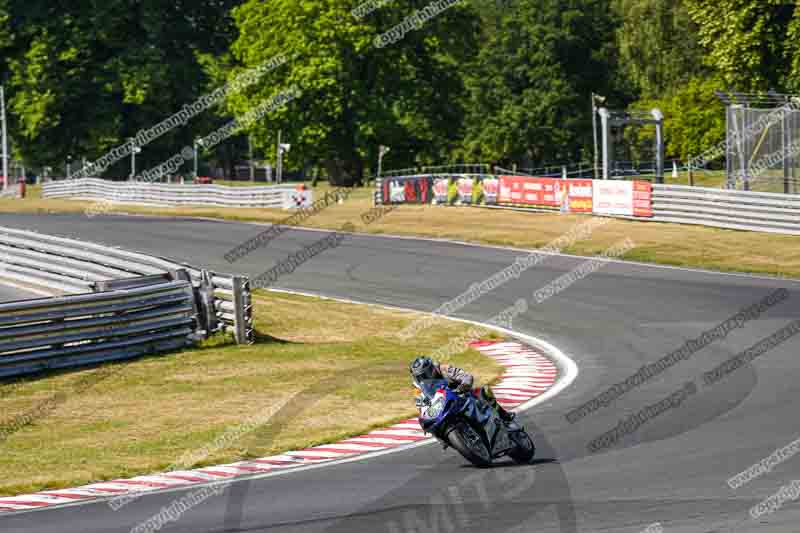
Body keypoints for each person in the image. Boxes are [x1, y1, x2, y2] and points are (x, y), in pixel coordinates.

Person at [409, 356, 515, 422]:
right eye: (420, 377)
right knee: (429, 421)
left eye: (425, 374)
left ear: (432, 368)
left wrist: (462, 387)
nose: (424, 378)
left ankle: (503, 415)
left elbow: (466, 377)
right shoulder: (418, 388)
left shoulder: (444, 369)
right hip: (442, 406)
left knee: (484, 391)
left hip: (461, 394)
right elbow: (421, 407)